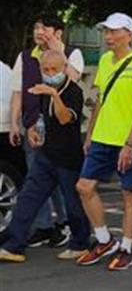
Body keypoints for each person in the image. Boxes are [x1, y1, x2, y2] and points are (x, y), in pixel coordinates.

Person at [75, 13, 132, 270]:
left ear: (128, 35)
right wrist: (90, 134)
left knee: (129, 193)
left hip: (129, 141)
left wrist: (130, 143)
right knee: (84, 187)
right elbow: (100, 100)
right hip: (101, 137)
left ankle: (127, 248)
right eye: (106, 31)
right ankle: (104, 240)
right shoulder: (106, 60)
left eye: (114, 31)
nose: (108, 36)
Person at [0, 50, 91, 262]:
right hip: (45, 155)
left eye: (54, 70)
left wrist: (54, 95)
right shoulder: (42, 90)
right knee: (28, 199)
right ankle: (14, 245)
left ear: (64, 68)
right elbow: (44, 118)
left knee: (73, 204)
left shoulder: (73, 91)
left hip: (68, 159)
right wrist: (33, 129)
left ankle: (80, 243)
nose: (50, 74)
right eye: (45, 70)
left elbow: (64, 118)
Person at [8, 15, 85, 247]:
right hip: (39, 140)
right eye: (36, 27)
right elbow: (20, 95)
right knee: (32, 192)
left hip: (65, 148)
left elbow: (66, 107)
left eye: (45, 27)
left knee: (70, 195)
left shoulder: (72, 69)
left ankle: (75, 234)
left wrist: (56, 54)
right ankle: (27, 235)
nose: (39, 31)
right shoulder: (27, 60)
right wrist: (22, 125)